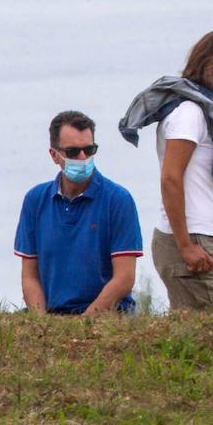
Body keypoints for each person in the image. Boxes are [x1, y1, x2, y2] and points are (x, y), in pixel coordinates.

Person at [120, 30, 213, 311]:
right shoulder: (190, 114)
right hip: (191, 239)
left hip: (198, 237)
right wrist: (185, 246)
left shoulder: (200, 111)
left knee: (196, 336)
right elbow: (171, 178)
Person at [14, 111, 142, 315]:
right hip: (53, 316)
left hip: (109, 315)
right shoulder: (35, 200)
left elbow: (124, 278)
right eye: (73, 152)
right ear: (54, 155)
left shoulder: (118, 200)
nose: (83, 157)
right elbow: (30, 275)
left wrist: (86, 323)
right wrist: (42, 324)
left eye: (89, 150)